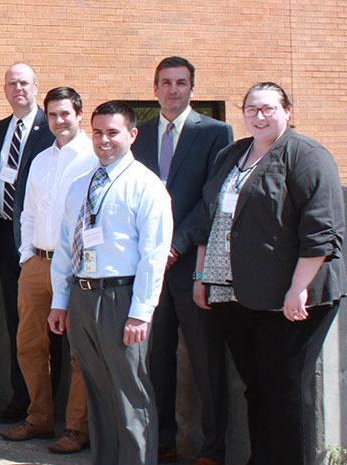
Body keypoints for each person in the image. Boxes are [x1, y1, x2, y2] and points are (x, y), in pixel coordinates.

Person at [192, 83, 347, 465]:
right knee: (257, 389)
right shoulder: (232, 154)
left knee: (286, 391)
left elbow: (321, 231)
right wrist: (201, 276)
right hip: (234, 294)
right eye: (251, 109)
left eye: (268, 109)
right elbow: (208, 218)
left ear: (287, 111)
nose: (259, 116)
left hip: (291, 298)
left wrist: (298, 288)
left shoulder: (307, 155)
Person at [48, 100, 173, 465]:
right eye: (98, 132)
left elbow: (154, 254)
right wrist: (60, 300)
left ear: (132, 135)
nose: (104, 141)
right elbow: (63, 245)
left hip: (122, 297)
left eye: (113, 133)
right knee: (97, 389)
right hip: (83, 296)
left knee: (128, 391)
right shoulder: (79, 186)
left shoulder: (146, 186)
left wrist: (141, 312)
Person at [132, 57, 234, 465]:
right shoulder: (139, 135)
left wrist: (175, 245)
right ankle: (163, 444)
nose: (173, 90)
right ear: (155, 89)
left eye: (181, 83)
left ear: (193, 88)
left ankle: (213, 450)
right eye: (166, 83)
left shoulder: (214, 132)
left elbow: (215, 197)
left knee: (206, 359)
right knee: (156, 358)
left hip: (193, 261)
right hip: (150, 266)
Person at [0, 87, 96, 453]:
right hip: (37, 263)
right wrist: (26, 255)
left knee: (78, 351)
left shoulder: (91, 157)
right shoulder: (40, 159)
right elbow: (26, 212)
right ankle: (39, 418)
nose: (58, 121)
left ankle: (77, 427)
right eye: (53, 115)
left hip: (75, 267)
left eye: (65, 114)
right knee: (29, 345)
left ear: (79, 114)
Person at [0, 63, 56, 425]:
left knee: (50, 329)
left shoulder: (51, 127)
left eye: (24, 82)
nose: (18, 88)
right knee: (18, 326)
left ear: (36, 87)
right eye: (11, 83)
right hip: (7, 240)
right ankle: (22, 399)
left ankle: (49, 405)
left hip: (43, 243)